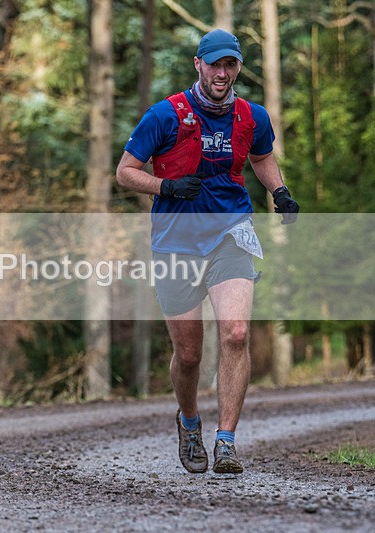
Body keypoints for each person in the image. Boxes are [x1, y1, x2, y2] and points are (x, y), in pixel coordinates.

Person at [116, 29, 299, 474]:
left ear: (238, 67)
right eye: (214, 64)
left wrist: (279, 191)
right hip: (176, 242)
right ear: (198, 64)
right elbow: (124, 173)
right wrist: (167, 186)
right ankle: (191, 421)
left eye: (230, 65)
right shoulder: (165, 115)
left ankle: (227, 441)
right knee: (191, 355)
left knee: (236, 333)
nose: (222, 73)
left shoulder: (250, 115)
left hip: (230, 233)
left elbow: (261, 156)